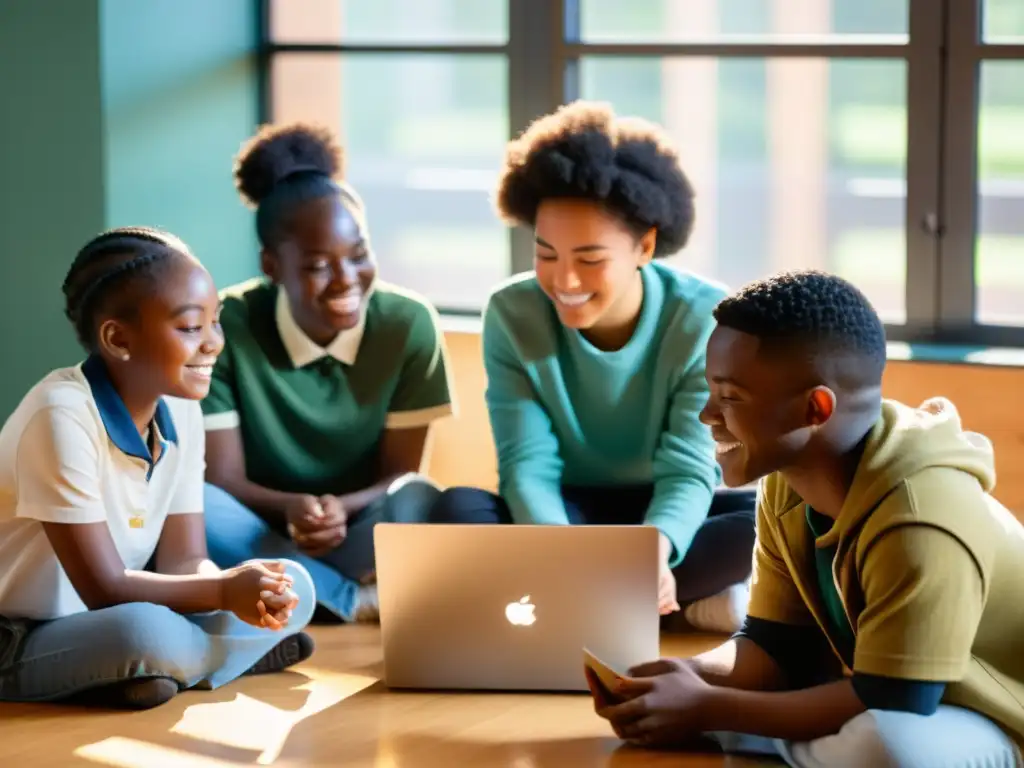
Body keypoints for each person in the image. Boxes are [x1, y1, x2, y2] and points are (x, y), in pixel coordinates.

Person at [594, 270, 1024, 765]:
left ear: (814, 409)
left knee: (890, 746)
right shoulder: (786, 480)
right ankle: (787, 742)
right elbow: (775, 643)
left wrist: (710, 708)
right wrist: (691, 674)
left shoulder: (922, 516)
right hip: (900, 699)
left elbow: (897, 697)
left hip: (994, 717)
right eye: (711, 391)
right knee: (861, 732)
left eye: (730, 397)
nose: (707, 414)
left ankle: (765, 738)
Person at [427, 100, 757, 633]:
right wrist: (567, 556)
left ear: (645, 244)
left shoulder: (702, 315)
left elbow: (688, 467)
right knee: (455, 513)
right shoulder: (512, 312)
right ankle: (668, 607)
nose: (564, 282)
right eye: (546, 254)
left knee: (760, 519)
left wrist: (656, 547)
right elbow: (527, 464)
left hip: (661, 508)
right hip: (565, 510)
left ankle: (584, 602)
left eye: (589, 259)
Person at [0, 227, 316, 710]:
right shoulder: (59, 415)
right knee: (143, 631)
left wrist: (244, 591)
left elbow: (185, 560)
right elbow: (104, 588)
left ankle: (159, 670)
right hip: (19, 634)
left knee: (295, 585)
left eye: (216, 322)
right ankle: (215, 658)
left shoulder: (182, 410)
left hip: (102, 620)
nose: (213, 343)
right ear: (118, 338)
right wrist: (226, 590)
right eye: (191, 327)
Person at [202, 123, 455, 624]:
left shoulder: (408, 322)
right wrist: (292, 508)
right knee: (192, 503)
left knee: (421, 499)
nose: (346, 279)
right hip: (261, 530)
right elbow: (222, 477)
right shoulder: (226, 324)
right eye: (318, 265)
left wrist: (338, 509)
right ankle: (348, 600)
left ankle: (297, 592)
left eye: (359, 255)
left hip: (359, 528)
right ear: (272, 266)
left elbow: (401, 475)